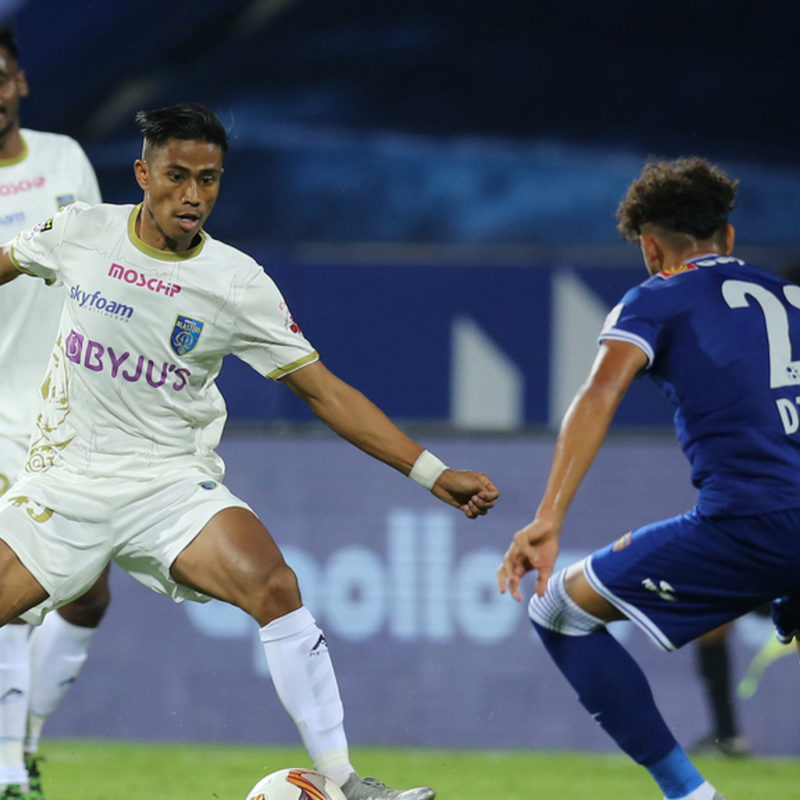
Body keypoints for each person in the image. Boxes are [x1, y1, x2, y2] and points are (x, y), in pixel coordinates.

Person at [0, 102, 499, 800]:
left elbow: (325, 392)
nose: (193, 195)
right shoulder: (82, 230)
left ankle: (344, 781)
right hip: (65, 484)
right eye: (177, 176)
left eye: (208, 179)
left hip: (170, 487)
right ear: (143, 174)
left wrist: (433, 473)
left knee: (275, 585)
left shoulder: (236, 282)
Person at [497, 157, 800, 800]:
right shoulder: (792, 297)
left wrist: (549, 516)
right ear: (729, 236)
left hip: (751, 520)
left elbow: (600, 392)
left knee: (557, 611)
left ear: (651, 248)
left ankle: (690, 793)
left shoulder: (658, 296)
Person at [0, 24, 109, 800]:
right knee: (11, 582)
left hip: (64, 414)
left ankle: (26, 739)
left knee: (87, 593)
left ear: (20, 83)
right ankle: (8, 768)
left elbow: (105, 266)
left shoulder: (65, 157)